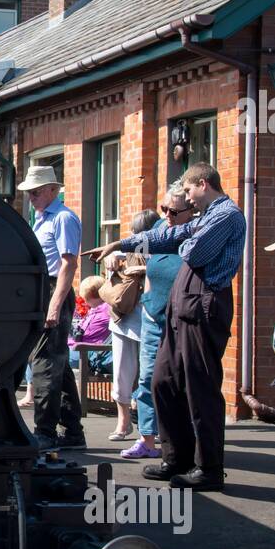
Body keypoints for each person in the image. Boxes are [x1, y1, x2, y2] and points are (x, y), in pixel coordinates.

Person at [86, 163, 246, 491]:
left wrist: (184, 239)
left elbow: (194, 250)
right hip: (182, 307)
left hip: (203, 307)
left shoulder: (226, 214)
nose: (185, 199)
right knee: (162, 382)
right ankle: (177, 458)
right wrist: (121, 245)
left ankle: (209, 469)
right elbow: (168, 236)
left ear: (203, 184)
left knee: (200, 389)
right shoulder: (204, 218)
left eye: (188, 192)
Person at [19, 164, 86, 452]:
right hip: (41, 289)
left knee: (46, 363)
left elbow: (69, 264)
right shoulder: (42, 218)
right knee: (57, 363)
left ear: (52, 190)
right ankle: (72, 430)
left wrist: (54, 306)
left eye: (35, 192)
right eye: (29, 193)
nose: (31, 197)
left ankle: (45, 432)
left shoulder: (63, 219)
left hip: (53, 289)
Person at [120, 185, 188, 461]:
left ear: (191, 209)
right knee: (148, 378)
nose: (167, 214)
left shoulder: (196, 233)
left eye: (173, 210)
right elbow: (149, 263)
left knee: (181, 380)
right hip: (152, 314)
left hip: (181, 318)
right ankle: (147, 439)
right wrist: (148, 297)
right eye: (164, 208)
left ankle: (181, 442)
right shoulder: (161, 226)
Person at [100, 209, 159, 442]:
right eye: (136, 232)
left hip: (151, 317)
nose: (139, 237)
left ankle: (148, 427)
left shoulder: (164, 249)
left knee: (149, 375)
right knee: (123, 374)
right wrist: (111, 259)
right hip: (124, 316)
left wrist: (145, 270)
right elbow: (107, 261)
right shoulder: (127, 249)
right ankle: (123, 422)